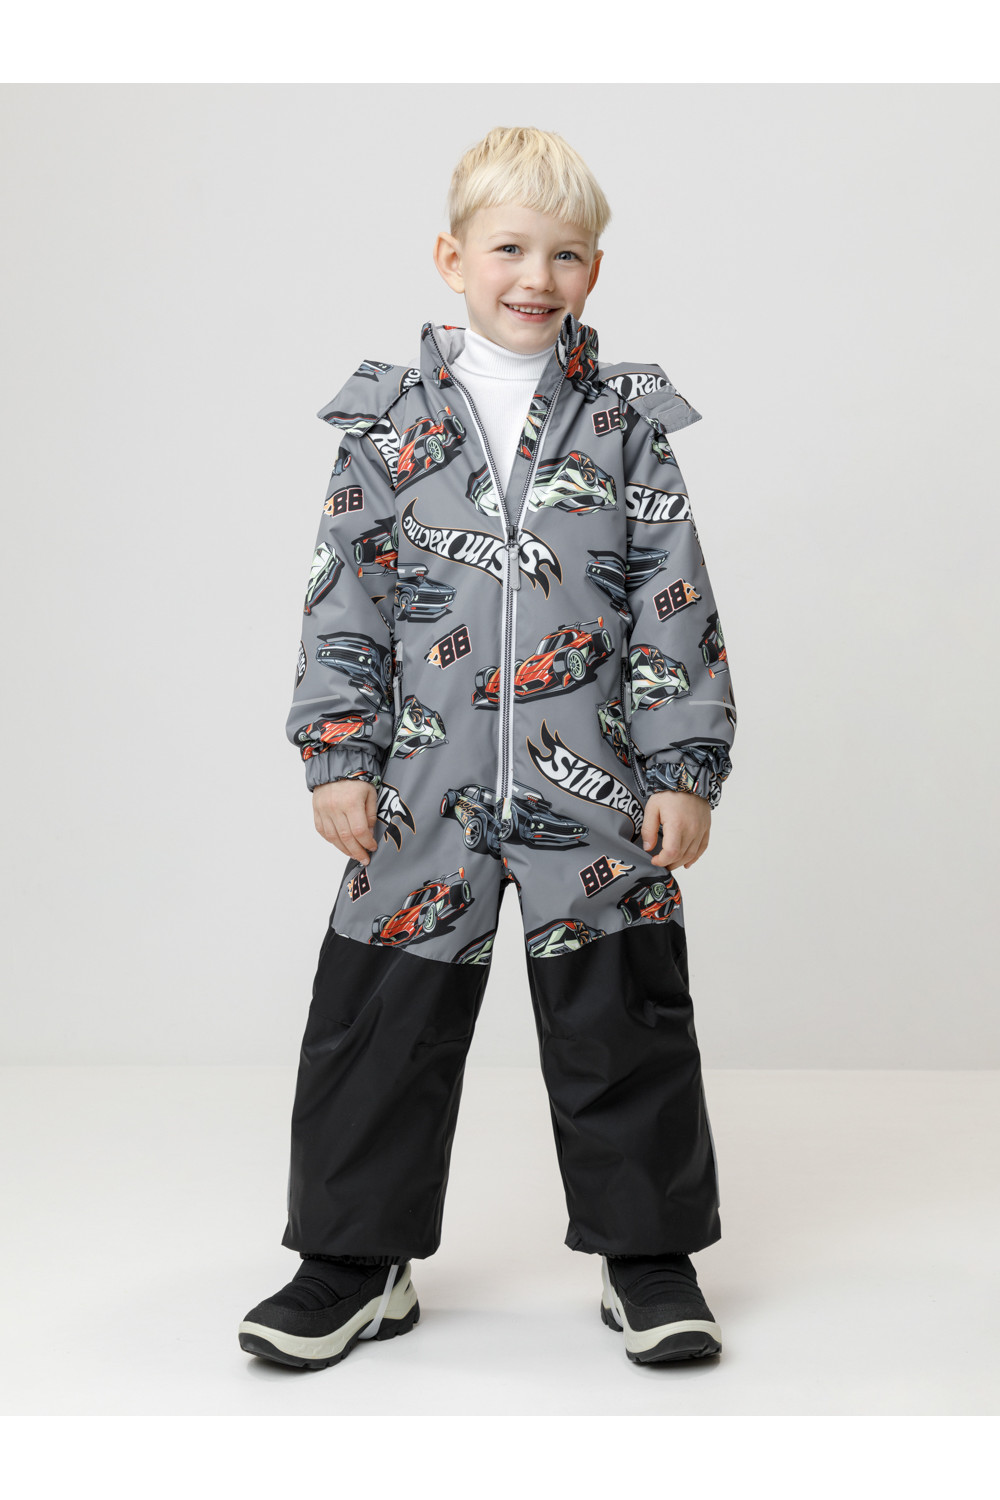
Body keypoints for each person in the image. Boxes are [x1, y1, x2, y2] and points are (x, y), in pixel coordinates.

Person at [238, 125, 737, 1372]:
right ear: (451, 257)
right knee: (379, 1026)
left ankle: (648, 1257)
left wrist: (682, 769)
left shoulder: (625, 425)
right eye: (509, 249)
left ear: (593, 272)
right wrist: (339, 756)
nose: (535, 276)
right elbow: (344, 599)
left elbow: (673, 603)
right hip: (421, 786)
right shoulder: (386, 426)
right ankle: (353, 1261)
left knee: (623, 1019)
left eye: (565, 254)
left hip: (597, 788)